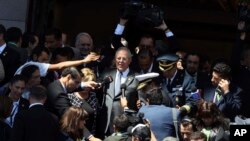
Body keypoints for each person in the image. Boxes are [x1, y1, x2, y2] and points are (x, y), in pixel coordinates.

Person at [46, 67, 101, 141]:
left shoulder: (59, 85)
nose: (77, 86)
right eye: (77, 82)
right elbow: (71, 117)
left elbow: (74, 87)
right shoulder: (58, 94)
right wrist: (91, 137)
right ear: (68, 77)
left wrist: (84, 84)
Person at [99, 47, 139, 135]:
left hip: (125, 122)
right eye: (118, 58)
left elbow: (141, 101)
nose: (120, 61)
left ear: (130, 60)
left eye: (124, 59)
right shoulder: (107, 73)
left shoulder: (136, 77)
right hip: (106, 120)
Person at [68, 68, 99, 134]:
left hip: (91, 132)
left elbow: (95, 118)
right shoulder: (70, 96)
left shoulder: (93, 96)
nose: (88, 86)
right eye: (85, 83)